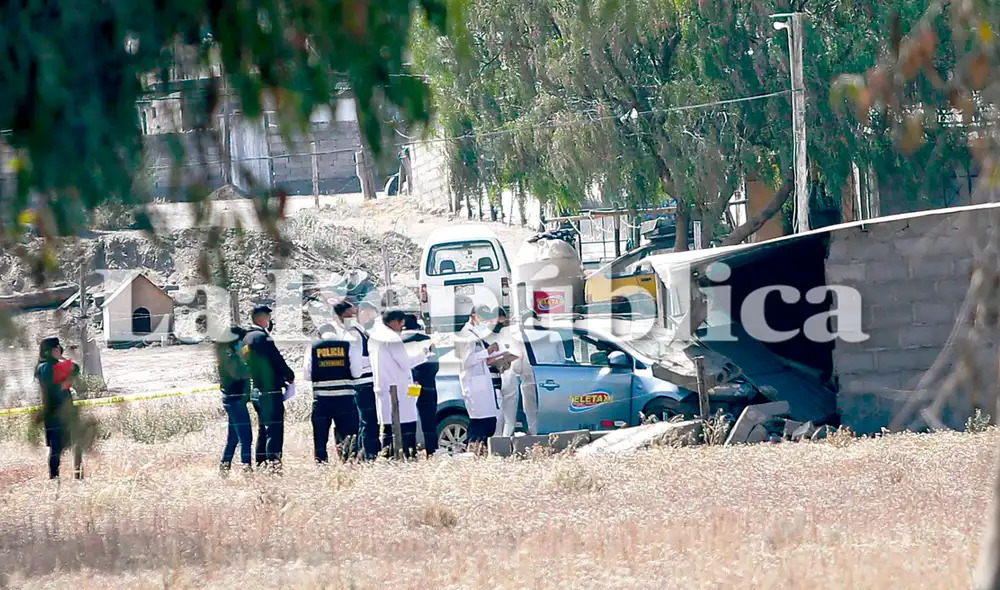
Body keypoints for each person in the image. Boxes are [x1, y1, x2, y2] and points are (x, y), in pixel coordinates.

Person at [303, 301, 363, 463]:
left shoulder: (313, 347)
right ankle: (349, 461)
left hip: (321, 400)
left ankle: (321, 464)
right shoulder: (347, 345)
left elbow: (307, 375)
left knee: (320, 438)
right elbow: (357, 372)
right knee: (349, 435)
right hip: (345, 399)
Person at [370, 309, 431, 459]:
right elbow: (405, 363)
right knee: (405, 428)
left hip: (385, 388)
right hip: (398, 390)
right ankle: (406, 457)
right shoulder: (392, 338)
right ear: (394, 322)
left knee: (387, 430)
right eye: (401, 322)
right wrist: (423, 354)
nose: (402, 326)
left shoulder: (374, 337)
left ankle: (388, 457)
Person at [242, 305, 295, 471]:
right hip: (269, 390)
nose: (269, 321)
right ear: (262, 318)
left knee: (263, 430)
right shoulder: (262, 338)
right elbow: (276, 360)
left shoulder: (246, 338)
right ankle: (273, 466)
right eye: (268, 317)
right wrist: (289, 376)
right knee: (274, 429)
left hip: (256, 389)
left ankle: (261, 463)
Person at [34, 336, 84, 480]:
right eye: (54, 348)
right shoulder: (44, 368)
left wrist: (61, 358)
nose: (58, 350)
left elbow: (76, 369)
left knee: (77, 444)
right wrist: (61, 360)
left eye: (58, 348)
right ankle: (54, 479)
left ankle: (78, 476)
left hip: (68, 412)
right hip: (54, 415)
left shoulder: (58, 365)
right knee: (55, 450)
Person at [456, 305, 502, 454]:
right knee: (480, 424)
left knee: (489, 422)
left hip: (482, 384)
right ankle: (472, 453)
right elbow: (467, 361)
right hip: (474, 387)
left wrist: (492, 356)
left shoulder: (475, 333)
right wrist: (487, 352)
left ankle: (479, 453)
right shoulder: (467, 335)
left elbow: (478, 358)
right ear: (474, 316)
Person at [402, 314, 440, 456]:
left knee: (409, 417)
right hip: (427, 384)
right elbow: (435, 364)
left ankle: (409, 451)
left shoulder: (399, 341)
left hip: (409, 385)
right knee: (429, 419)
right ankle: (432, 451)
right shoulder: (427, 340)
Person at [217, 325, 252, 474]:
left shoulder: (227, 354)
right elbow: (243, 373)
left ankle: (224, 467)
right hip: (235, 400)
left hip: (232, 400)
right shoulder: (231, 357)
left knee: (233, 438)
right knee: (246, 438)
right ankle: (247, 469)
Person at [350, 300, 379, 460]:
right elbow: (356, 363)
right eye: (369, 314)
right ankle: (368, 456)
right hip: (363, 383)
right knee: (368, 422)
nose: (371, 318)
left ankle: (366, 454)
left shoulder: (363, 332)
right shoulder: (355, 334)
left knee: (367, 422)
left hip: (366, 383)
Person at [487, 308, 521, 437]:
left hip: (506, 376)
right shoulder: (487, 336)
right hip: (497, 378)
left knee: (506, 417)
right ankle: (499, 443)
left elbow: (517, 354)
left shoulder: (508, 334)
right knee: (501, 416)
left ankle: (502, 443)